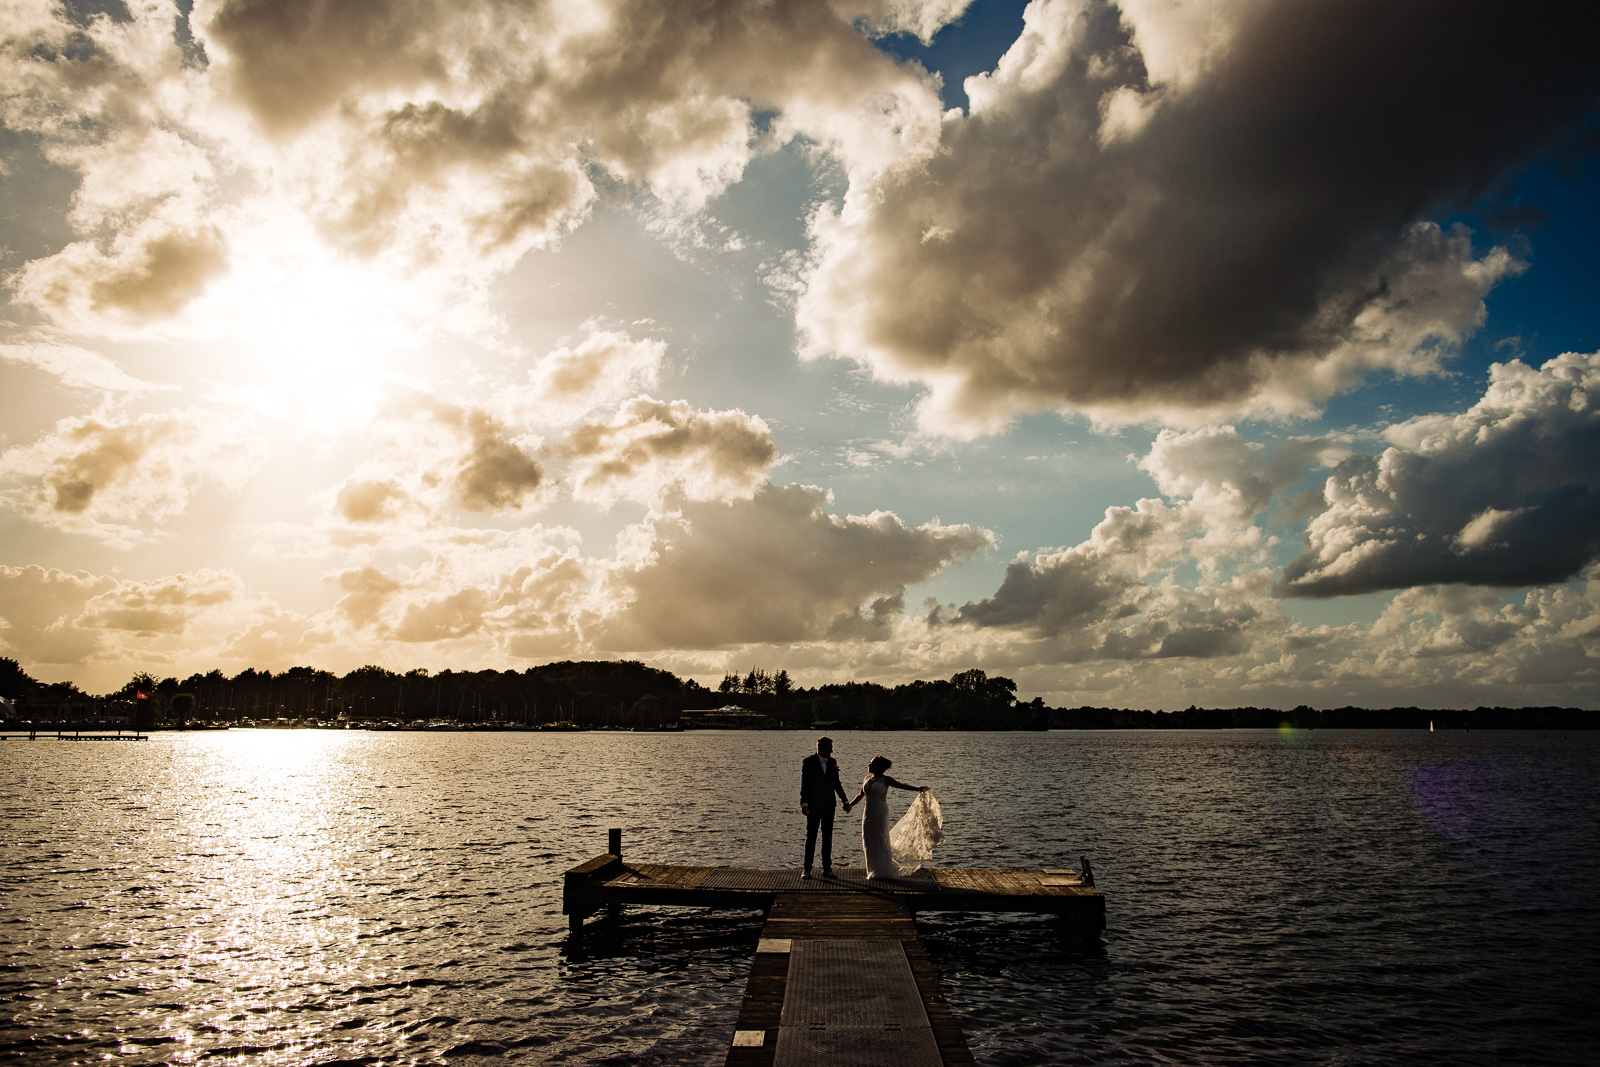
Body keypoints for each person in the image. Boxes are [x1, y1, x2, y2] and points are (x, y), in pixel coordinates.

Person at [847, 755, 929, 880]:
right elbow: (860, 795)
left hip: (880, 813)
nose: (869, 765)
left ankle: (883, 872)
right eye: (870, 763)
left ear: (878, 767)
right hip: (868, 814)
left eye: (872, 763)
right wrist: (850, 805)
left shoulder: (885, 780)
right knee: (869, 840)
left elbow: (901, 785)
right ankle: (873, 871)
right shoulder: (867, 779)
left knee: (880, 839)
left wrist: (917, 789)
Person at [799, 736, 850, 879]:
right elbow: (805, 784)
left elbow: (836, 784)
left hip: (829, 805)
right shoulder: (808, 762)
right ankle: (807, 869)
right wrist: (804, 803)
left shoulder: (833, 762)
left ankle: (827, 868)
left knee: (827, 837)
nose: (831, 751)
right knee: (811, 836)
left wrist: (845, 800)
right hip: (813, 805)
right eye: (829, 748)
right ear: (820, 748)